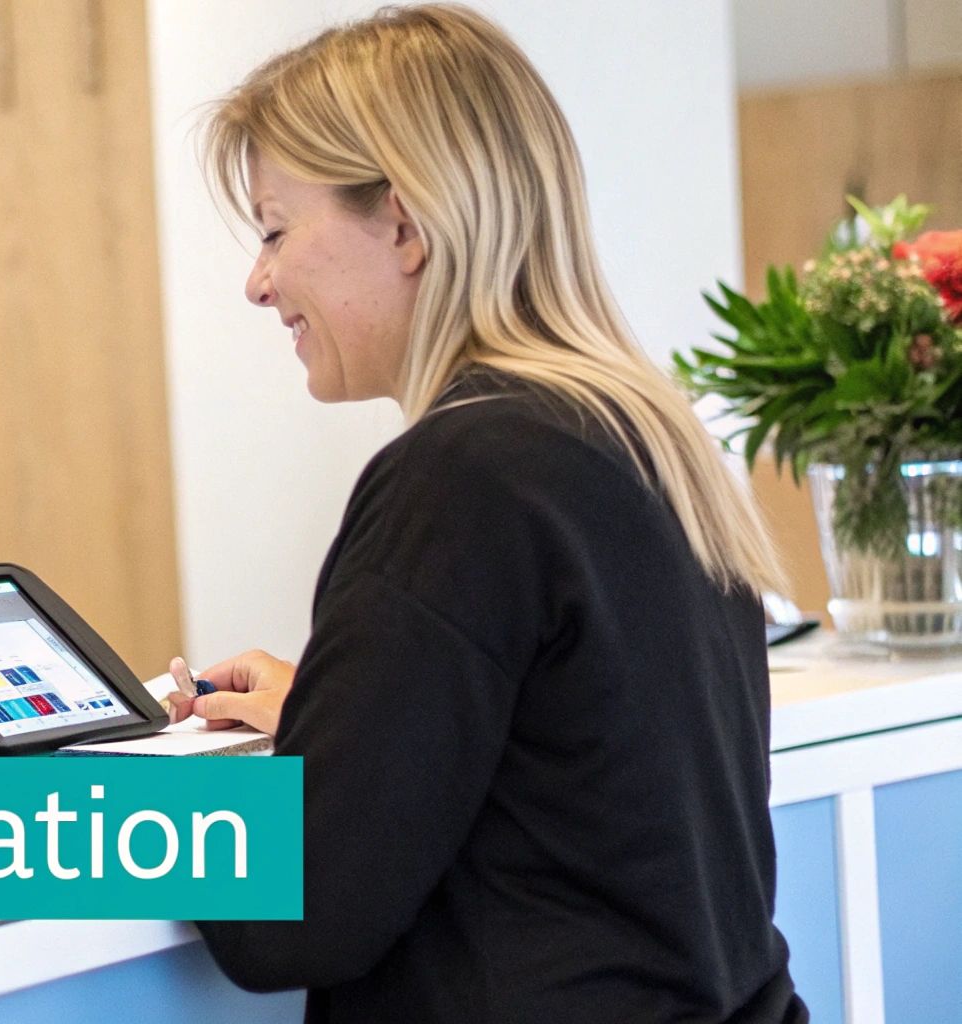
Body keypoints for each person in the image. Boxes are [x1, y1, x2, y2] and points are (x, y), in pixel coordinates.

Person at [165, 6, 808, 1021]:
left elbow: (292, 913)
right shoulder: (637, 434)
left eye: (276, 230)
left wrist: (157, 778)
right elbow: (569, 767)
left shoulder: (463, 478)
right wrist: (341, 723)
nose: (258, 282)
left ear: (405, 225)